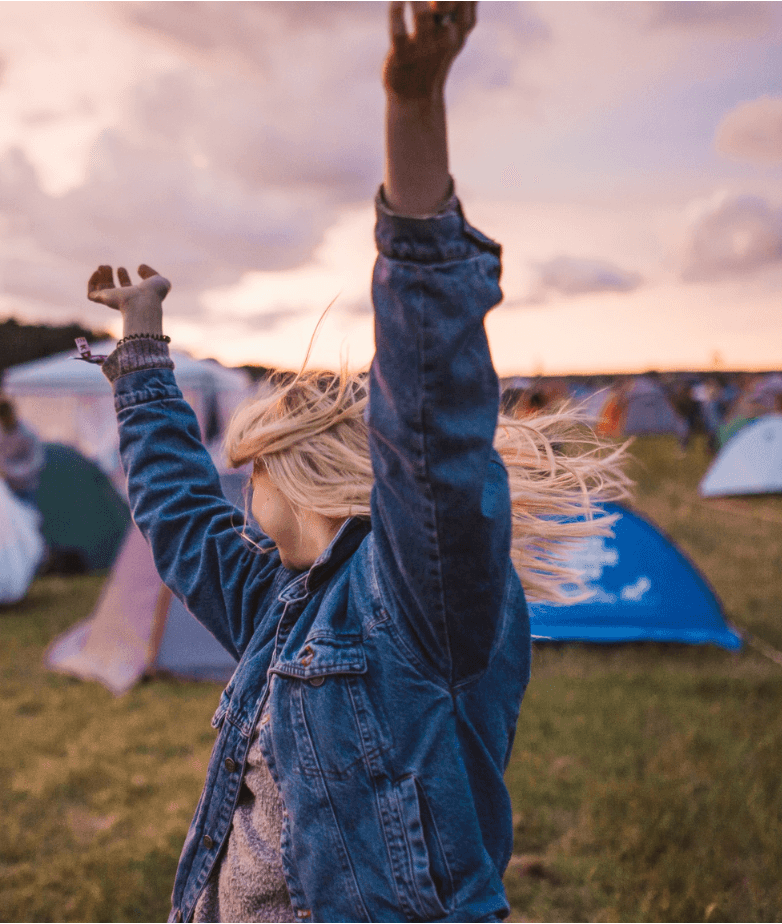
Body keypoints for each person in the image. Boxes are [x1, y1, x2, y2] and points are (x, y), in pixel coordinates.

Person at [83, 5, 629, 920]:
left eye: (246, 469)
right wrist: (140, 345)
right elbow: (177, 515)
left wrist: (412, 119)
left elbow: (432, 423)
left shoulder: (416, 598)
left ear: (291, 475)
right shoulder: (279, 603)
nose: (235, 489)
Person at [0, 398, 45, 503]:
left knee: (26, 517)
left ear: (13, 414)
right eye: (2, 419)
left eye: (7, 417)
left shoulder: (28, 433)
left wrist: (11, 471)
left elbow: (36, 462)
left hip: (24, 489)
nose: (5, 421)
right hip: (1, 488)